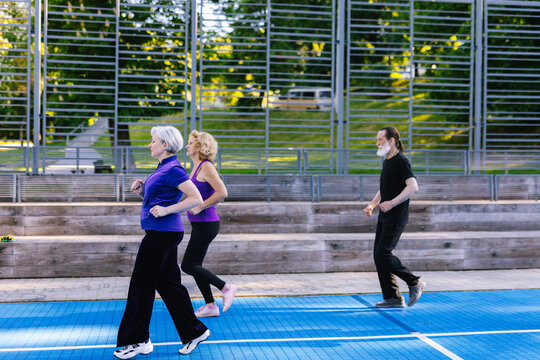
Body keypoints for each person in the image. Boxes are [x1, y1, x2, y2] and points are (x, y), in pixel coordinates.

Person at [114, 126, 210, 359]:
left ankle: (138, 340)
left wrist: (167, 210)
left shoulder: (174, 169)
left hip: (162, 235)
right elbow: (158, 199)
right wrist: (141, 192)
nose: (150, 144)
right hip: (161, 232)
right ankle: (194, 331)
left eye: (153, 141)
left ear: (164, 145)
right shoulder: (163, 168)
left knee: (141, 285)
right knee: (168, 285)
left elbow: (195, 197)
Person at [363, 126, 426, 308]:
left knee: (383, 253)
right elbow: (384, 188)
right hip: (385, 215)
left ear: (392, 141)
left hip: (396, 216)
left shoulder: (400, 161)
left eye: (380, 139)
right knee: (378, 255)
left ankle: (414, 282)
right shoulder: (387, 162)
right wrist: (372, 204)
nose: (377, 143)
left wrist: (392, 202)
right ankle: (393, 297)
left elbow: (413, 187)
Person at [181, 130, 237, 318]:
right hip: (200, 224)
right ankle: (210, 305)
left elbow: (222, 192)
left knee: (188, 265)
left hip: (207, 224)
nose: (187, 146)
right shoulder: (196, 167)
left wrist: (200, 207)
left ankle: (226, 287)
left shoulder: (206, 167)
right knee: (196, 264)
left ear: (199, 147)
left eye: (190, 143)